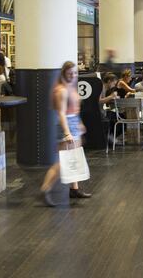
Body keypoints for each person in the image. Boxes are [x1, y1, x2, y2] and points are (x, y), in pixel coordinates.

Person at [40, 61, 91, 206]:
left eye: (75, 73)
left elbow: (74, 109)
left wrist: (79, 123)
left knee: (74, 158)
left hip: (74, 123)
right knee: (63, 162)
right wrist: (67, 132)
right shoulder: (61, 90)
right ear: (64, 73)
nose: (73, 75)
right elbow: (61, 113)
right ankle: (45, 189)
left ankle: (74, 189)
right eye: (70, 73)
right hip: (66, 126)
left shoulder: (70, 87)